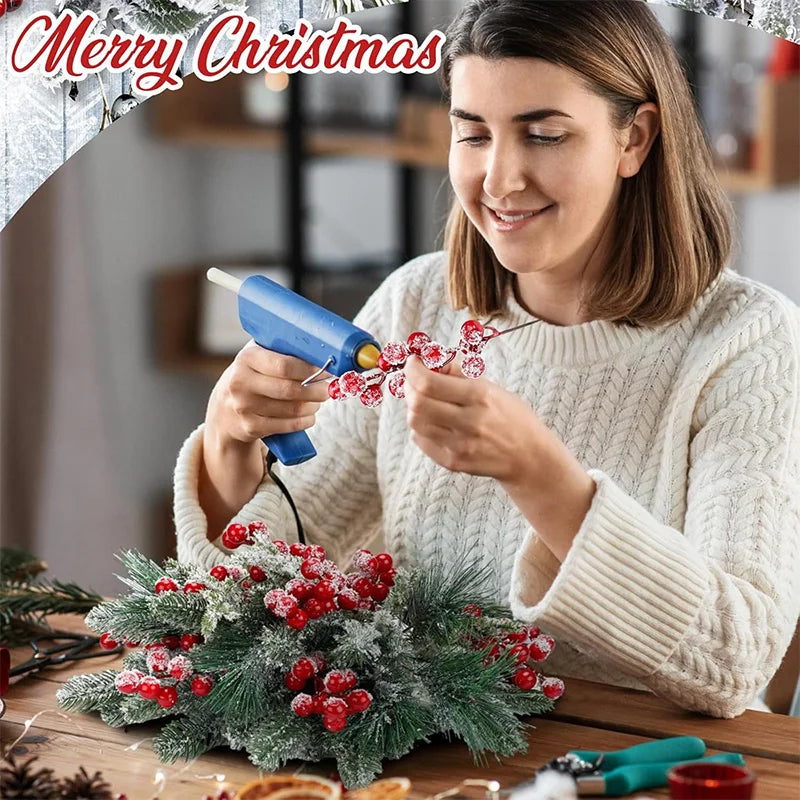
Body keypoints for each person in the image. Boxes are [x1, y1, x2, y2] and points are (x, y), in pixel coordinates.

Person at [173, 0, 800, 718]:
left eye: (543, 135)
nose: (500, 180)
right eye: (473, 135)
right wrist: (229, 444)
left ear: (635, 138)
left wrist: (541, 476)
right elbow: (256, 599)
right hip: (427, 760)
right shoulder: (415, 304)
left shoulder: (749, 342)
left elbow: (735, 658)